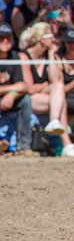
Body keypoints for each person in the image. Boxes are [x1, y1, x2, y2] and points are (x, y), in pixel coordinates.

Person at [18, 23, 74, 156]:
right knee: (60, 101)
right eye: (51, 36)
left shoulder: (50, 56)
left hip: (45, 97)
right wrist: (45, 86)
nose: (54, 40)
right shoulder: (24, 57)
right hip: (28, 99)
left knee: (58, 90)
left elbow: (56, 80)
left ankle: (54, 123)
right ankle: (66, 144)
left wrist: (52, 55)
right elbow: (29, 88)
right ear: (42, 39)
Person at [0, 22, 32, 154]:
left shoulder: (15, 57)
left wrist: (12, 94)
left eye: (9, 37)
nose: (5, 40)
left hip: (9, 99)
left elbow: (23, 85)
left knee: (26, 100)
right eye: (1, 37)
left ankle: (23, 146)